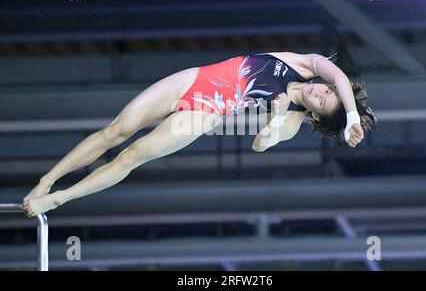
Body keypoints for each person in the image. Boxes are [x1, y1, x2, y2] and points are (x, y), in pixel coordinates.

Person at [22, 52, 376, 217]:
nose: (321, 94)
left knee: (131, 156)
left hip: (203, 115)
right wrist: (349, 116)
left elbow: (260, 144)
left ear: (316, 115)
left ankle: (60, 199)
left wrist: (275, 119)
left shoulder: (294, 119)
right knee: (117, 130)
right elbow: (343, 78)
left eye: (324, 103)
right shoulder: (304, 63)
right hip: (193, 79)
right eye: (327, 92)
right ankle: (47, 180)